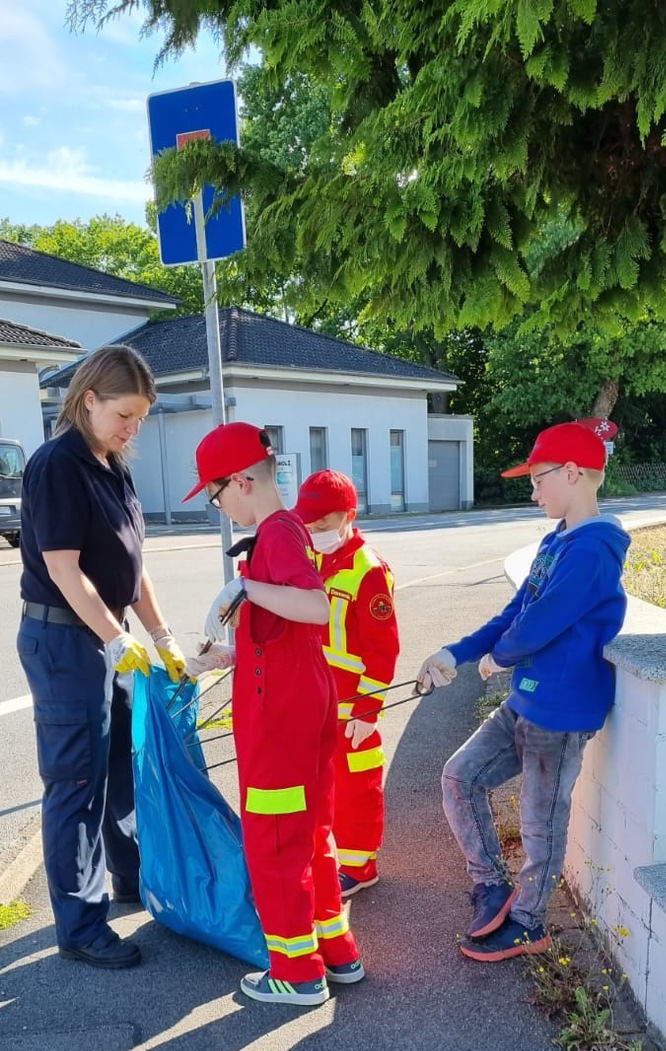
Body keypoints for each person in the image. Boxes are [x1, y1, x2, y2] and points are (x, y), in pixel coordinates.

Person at [416, 420, 630, 961]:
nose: (532, 492)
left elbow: (543, 623)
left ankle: (531, 922)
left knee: (542, 824)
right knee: (459, 777)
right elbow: (515, 612)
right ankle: (492, 885)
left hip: (561, 710)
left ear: (575, 473)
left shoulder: (595, 549)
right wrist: (455, 654)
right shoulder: (556, 541)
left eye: (538, 480)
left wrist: (500, 655)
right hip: (526, 700)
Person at [17, 344, 186, 970]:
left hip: (104, 638)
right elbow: (65, 569)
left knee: (121, 762)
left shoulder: (111, 464)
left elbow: (131, 566)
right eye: (125, 415)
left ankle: (128, 875)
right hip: (67, 641)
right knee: (77, 782)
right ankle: (81, 926)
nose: (133, 428)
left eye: (141, 417)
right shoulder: (58, 465)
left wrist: (161, 636)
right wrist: (116, 639)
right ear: (89, 399)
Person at [184, 423, 363, 1006]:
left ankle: (296, 972)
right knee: (310, 831)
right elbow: (282, 639)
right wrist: (226, 656)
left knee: (275, 840)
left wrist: (245, 592)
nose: (219, 507)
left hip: (280, 718)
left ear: (241, 482)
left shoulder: (275, 534)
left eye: (216, 495)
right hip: (298, 701)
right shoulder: (285, 533)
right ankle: (335, 952)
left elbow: (312, 606)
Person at [295, 469, 400, 897]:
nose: (315, 530)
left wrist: (368, 709)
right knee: (320, 786)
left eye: (324, 523)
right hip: (315, 702)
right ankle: (330, 857)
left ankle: (359, 867)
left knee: (357, 787)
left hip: (351, 707)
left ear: (348, 517)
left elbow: (384, 649)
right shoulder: (313, 559)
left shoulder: (368, 571)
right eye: (309, 523)